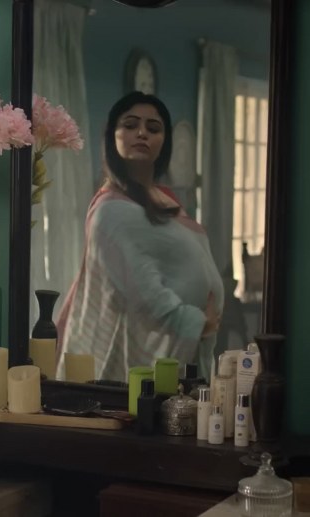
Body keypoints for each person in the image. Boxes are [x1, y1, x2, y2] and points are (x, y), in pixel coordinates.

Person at [56, 91, 223, 382]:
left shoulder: (167, 201)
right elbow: (144, 296)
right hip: (128, 369)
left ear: (164, 143)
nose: (142, 133)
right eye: (130, 125)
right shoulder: (110, 211)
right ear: (113, 136)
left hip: (183, 365)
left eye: (153, 128)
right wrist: (198, 324)